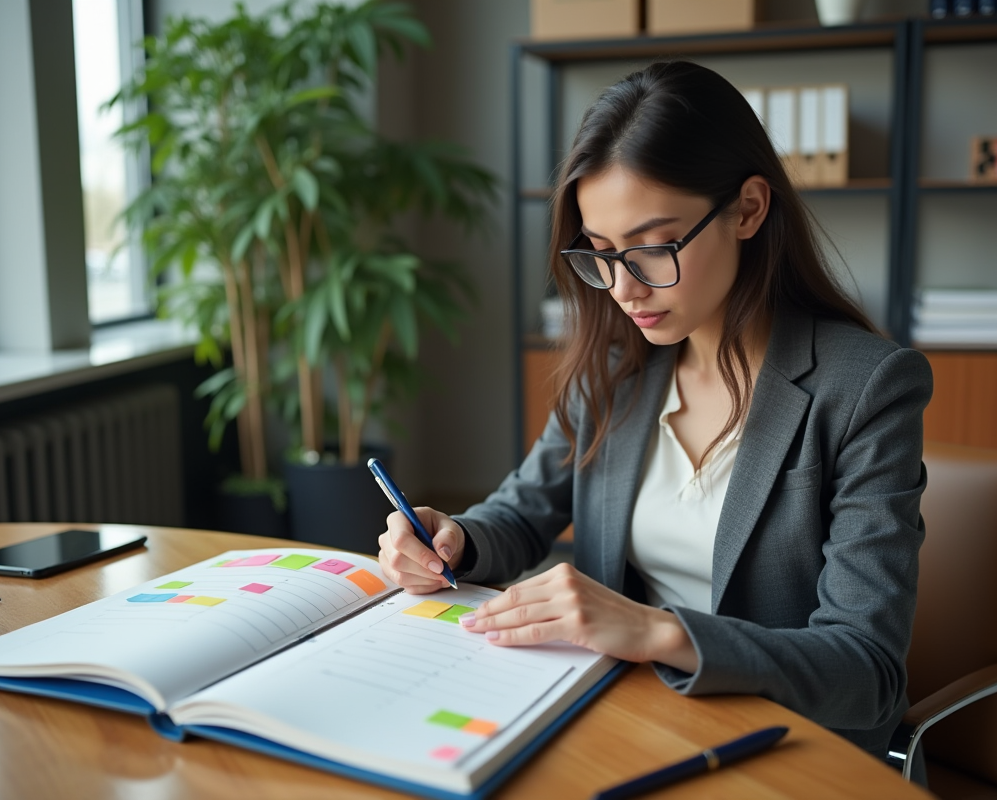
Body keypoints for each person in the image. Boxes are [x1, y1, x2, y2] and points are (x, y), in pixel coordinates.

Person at [377, 60, 932, 767]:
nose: (622, 288)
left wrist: (662, 633)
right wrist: (453, 538)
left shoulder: (866, 388)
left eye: (653, 248)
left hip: (783, 747)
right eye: (601, 255)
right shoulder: (615, 367)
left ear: (749, 209)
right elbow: (519, 515)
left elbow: (868, 671)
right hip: (626, 719)